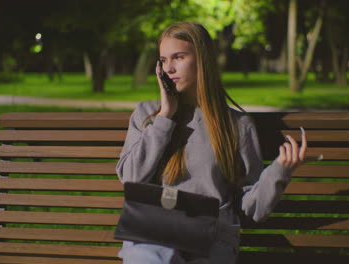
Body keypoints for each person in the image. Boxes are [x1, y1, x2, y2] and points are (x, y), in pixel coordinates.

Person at [116, 22, 307, 264]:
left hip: (212, 237)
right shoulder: (148, 114)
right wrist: (165, 117)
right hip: (154, 234)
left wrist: (280, 171)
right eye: (163, 60)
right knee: (155, 257)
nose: (169, 68)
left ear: (203, 60)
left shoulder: (237, 124)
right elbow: (131, 178)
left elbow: (250, 208)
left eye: (179, 57)